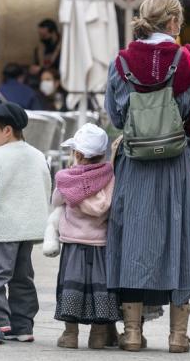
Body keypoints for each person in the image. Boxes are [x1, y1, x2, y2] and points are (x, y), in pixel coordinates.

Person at [105, 0, 190, 353]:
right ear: (173, 23)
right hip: (177, 161)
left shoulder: (122, 61)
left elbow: (116, 116)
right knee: (181, 238)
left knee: (133, 240)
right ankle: (176, 335)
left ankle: (133, 333)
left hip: (135, 163)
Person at [0, 102, 51, 342]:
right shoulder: (37, 155)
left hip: (1, 229)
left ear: (7, 130)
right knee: (22, 278)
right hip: (27, 229)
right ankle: (23, 326)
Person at [43, 124, 120, 349]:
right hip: (100, 243)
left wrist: (72, 197)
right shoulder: (109, 176)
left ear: (77, 154)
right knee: (100, 289)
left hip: (73, 243)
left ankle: (70, 334)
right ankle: (97, 336)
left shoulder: (66, 179)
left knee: (71, 287)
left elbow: (56, 201)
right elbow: (106, 205)